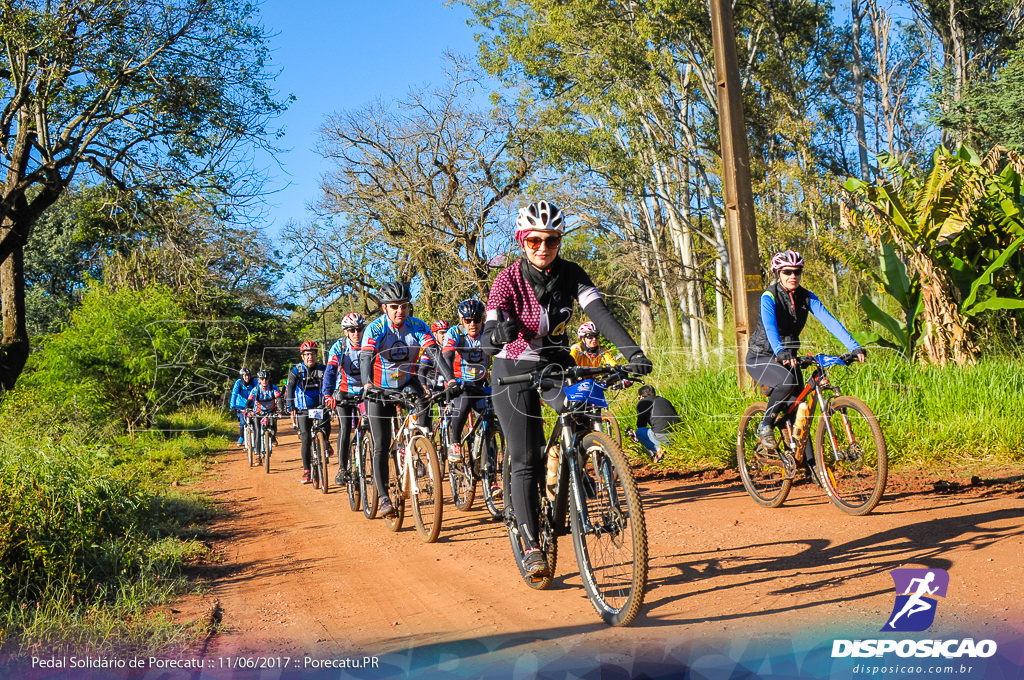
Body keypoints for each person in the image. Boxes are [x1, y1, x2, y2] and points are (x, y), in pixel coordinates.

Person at [483, 200, 653, 578]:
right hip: (512, 368)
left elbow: (601, 315)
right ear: (521, 241)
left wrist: (633, 352)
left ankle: (577, 473)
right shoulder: (506, 280)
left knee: (577, 414)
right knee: (526, 456)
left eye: (552, 240)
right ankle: (530, 543)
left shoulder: (572, 273)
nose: (543, 248)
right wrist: (498, 334)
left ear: (560, 241)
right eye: (534, 241)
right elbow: (487, 338)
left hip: (555, 364)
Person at [746, 250, 865, 473]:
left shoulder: (806, 297)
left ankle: (814, 471)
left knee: (802, 411)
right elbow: (770, 328)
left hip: (790, 358)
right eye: (788, 272)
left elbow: (829, 321)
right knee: (788, 385)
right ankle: (765, 426)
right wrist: (780, 351)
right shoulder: (769, 296)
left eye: (797, 272)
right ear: (778, 273)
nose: (793, 276)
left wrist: (853, 346)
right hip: (762, 356)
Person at [361, 282, 454, 517]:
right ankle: (383, 497)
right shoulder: (375, 329)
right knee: (381, 444)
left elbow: (435, 354)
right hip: (379, 388)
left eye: (404, 306)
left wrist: (450, 379)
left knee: (425, 403)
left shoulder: (418, 326)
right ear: (384, 308)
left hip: (407, 383)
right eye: (394, 307)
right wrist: (367, 385)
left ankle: (415, 446)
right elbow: (366, 358)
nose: (399, 311)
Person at [441, 299, 491, 464]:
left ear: (482, 319)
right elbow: (447, 356)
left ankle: (489, 452)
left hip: (481, 382)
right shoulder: (455, 333)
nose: (472, 324)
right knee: (464, 402)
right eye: (468, 320)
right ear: (461, 319)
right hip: (460, 383)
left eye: (477, 320)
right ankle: (455, 442)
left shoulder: (488, 332)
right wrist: (451, 381)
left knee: (491, 414)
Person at [322, 313, 366, 486]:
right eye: (352, 330)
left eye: (360, 329)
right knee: (345, 427)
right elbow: (331, 371)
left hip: (365, 392)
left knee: (371, 422)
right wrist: (327, 394)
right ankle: (342, 467)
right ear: (346, 332)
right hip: (343, 392)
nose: (356, 333)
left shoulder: (369, 344)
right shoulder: (338, 347)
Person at [286, 340, 333, 485]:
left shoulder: (323, 369)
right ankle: (306, 471)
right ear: (302, 356)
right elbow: (290, 387)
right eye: (307, 354)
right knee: (305, 438)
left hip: (319, 406)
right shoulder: (296, 370)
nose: (310, 357)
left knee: (325, 425)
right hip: (303, 408)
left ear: (316, 355)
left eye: (312, 354)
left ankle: (325, 441)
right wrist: (290, 404)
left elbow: (331, 384)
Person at [634, 385, 679, 463]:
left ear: (641, 396)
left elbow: (641, 424)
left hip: (660, 434)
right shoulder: (664, 400)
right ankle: (666, 446)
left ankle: (656, 450)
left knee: (639, 432)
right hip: (676, 432)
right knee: (663, 435)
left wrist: (635, 435)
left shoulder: (642, 403)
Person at [246, 370, 282, 446]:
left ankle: (272, 437)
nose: (264, 381)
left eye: (266, 379)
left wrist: (281, 410)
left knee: (273, 425)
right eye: (262, 379)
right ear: (259, 380)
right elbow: (249, 401)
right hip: (258, 412)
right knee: (257, 431)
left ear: (269, 379)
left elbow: (278, 399)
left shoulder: (274, 388)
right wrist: (248, 409)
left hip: (270, 411)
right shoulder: (256, 389)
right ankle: (257, 452)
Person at [230, 368, 256, 446]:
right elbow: (234, 394)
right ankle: (241, 437)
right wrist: (232, 406)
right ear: (242, 376)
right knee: (243, 422)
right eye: (245, 376)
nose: (247, 377)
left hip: (251, 405)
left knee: (254, 422)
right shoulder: (238, 382)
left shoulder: (254, 382)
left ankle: (255, 442)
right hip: (240, 405)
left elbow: (258, 392)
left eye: (248, 375)